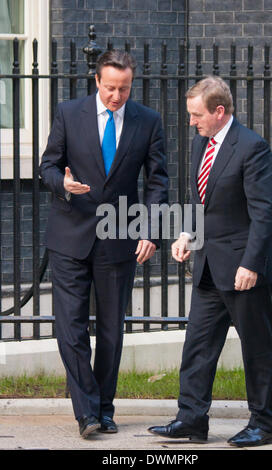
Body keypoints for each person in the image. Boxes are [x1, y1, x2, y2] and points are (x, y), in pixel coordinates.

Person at [148, 76, 272, 447]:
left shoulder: (251, 147)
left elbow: (264, 213)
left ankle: (262, 425)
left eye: (196, 115)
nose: (191, 122)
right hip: (209, 265)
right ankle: (191, 419)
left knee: (256, 347)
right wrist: (185, 236)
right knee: (197, 343)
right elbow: (202, 202)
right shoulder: (202, 144)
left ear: (219, 111)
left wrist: (251, 264)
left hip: (245, 268)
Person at [40, 50, 168, 438]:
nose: (117, 96)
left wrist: (150, 229)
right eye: (111, 88)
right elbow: (47, 165)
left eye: (124, 88)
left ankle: (104, 408)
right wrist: (61, 184)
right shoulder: (68, 112)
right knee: (70, 329)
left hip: (120, 239)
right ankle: (87, 412)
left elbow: (158, 181)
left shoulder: (148, 121)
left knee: (112, 331)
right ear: (97, 82)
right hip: (70, 236)